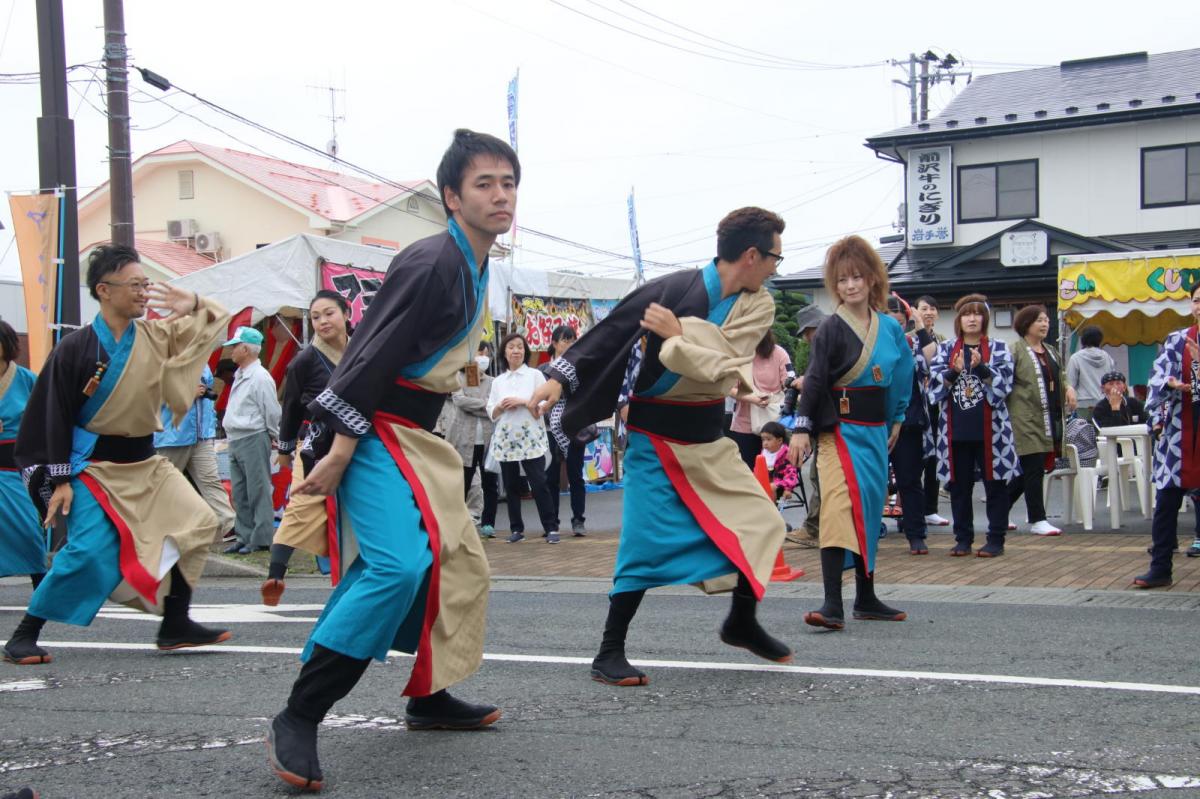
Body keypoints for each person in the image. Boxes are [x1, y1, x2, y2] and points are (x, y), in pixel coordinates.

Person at [264, 129, 513, 791]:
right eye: (484, 183)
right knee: (398, 565)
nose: (500, 195)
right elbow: (369, 355)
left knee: (454, 559)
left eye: (508, 182)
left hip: (413, 435)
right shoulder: (433, 261)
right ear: (451, 196)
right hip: (373, 430)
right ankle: (299, 712)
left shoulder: (475, 263)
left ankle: (428, 695)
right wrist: (342, 447)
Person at [531, 206, 794, 687]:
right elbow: (609, 336)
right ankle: (608, 652)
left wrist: (676, 338)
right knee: (641, 545)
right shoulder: (674, 289)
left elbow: (722, 366)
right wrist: (557, 379)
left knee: (762, 521)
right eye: (775, 256)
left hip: (706, 438)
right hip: (655, 437)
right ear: (752, 255)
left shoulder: (759, 306)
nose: (778, 267)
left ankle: (741, 620)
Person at [1, 244, 231, 666]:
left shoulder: (157, 336)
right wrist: (62, 479)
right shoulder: (75, 348)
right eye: (135, 285)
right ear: (105, 291)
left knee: (200, 522)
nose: (144, 293)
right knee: (87, 550)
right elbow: (53, 413)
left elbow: (215, 326)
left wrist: (194, 302)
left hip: (145, 462)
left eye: (147, 284)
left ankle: (175, 623)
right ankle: (24, 635)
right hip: (93, 465)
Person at [790, 236, 913, 630]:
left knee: (870, 509)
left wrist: (897, 419)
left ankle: (866, 597)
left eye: (857, 277)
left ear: (872, 279)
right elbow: (814, 383)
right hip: (838, 433)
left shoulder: (890, 328)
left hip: (877, 432)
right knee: (838, 511)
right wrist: (801, 429)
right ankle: (831, 603)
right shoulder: (829, 329)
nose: (851, 286)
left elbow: (902, 377)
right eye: (843, 280)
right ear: (835, 285)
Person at [260, 291, 353, 606]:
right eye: (316, 317)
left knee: (357, 510)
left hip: (361, 443)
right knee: (300, 505)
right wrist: (285, 451)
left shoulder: (364, 351)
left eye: (329, 313)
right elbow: (290, 409)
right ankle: (275, 575)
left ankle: (356, 576)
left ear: (346, 313)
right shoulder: (305, 360)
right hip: (316, 444)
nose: (323, 321)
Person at [928, 294, 1020, 558]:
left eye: (977, 313)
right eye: (966, 314)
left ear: (985, 319)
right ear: (959, 319)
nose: (971, 318)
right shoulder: (946, 350)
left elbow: (1005, 387)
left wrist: (982, 369)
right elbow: (933, 390)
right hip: (955, 430)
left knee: (995, 486)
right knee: (959, 487)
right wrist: (954, 372)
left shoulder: (1000, 347)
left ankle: (996, 539)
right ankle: (963, 539)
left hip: (993, 431)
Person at [1135, 282, 1200, 588]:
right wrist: (1171, 386)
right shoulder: (1177, 340)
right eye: (1197, 300)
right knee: (1166, 504)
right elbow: (1157, 380)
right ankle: (1160, 567)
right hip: (1178, 435)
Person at [1007, 305, 1073, 537]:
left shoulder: (1052, 351)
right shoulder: (1014, 350)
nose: (1044, 324)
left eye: (1046, 320)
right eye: (1039, 320)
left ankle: (1000, 510)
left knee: (1030, 470)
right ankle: (1037, 519)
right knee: (1033, 467)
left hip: (1050, 418)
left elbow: (1061, 376)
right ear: (1026, 324)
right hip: (1024, 417)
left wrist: (1068, 388)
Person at [488, 332, 560, 544]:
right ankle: (516, 528)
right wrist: (500, 406)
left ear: (525, 351)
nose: (516, 351)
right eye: (511, 347)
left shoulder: (535, 376)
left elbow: (544, 406)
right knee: (511, 486)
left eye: (520, 346)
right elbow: (491, 411)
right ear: (504, 352)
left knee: (539, 483)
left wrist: (522, 401)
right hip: (506, 438)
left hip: (530, 437)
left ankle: (551, 527)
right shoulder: (498, 381)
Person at [155, 363, 236, 541]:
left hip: (201, 435)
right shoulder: (163, 359)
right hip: (173, 436)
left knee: (211, 479)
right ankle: (155, 529)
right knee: (163, 486)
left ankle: (228, 525)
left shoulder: (204, 363)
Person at [221, 326, 281, 555]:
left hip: (253, 435)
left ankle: (262, 537)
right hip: (237, 437)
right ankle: (244, 535)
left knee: (257, 489)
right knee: (240, 491)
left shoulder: (259, 377)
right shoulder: (242, 374)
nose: (232, 351)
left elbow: (272, 411)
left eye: (235, 346)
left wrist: (273, 434)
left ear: (246, 349)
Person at [885, 294, 933, 555]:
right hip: (875, 422)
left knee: (910, 480)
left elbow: (932, 361)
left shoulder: (913, 343)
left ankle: (916, 534)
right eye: (890, 321)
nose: (896, 326)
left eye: (901, 322)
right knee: (870, 481)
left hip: (909, 421)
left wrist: (919, 324)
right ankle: (865, 533)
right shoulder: (871, 346)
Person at [0, 323, 46, 590]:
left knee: (27, 529)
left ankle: (42, 588)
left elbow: (45, 417)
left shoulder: (28, 379)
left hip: (15, 467)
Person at [447, 341, 499, 538]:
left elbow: (496, 406)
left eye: (484, 352)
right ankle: (458, 523)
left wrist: (482, 406)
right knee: (463, 481)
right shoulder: (458, 377)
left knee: (489, 482)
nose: (482, 355)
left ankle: (488, 523)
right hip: (464, 438)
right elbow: (459, 401)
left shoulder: (492, 381)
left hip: (487, 439)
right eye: (479, 351)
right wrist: (485, 405)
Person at [539, 325, 588, 536]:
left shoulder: (579, 367)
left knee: (576, 475)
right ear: (554, 343)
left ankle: (578, 520)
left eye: (572, 341)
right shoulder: (542, 370)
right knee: (550, 477)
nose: (568, 344)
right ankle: (553, 522)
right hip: (550, 428)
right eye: (564, 340)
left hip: (573, 428)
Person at [728, 329, 794, 469]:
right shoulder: (739, 355)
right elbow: (728, 388)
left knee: (777, 473)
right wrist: (753, 399)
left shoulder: (779, 353)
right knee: (747, 472)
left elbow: (790, 383)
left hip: (774, 425)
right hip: (744, 425)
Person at [914, 295, 950, 527]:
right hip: (916, 404)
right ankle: (912, 508)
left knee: (935, 458)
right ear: (915, 312)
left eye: (933, 308)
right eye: (924, 308)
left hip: (937, 404)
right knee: (915, 459)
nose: (929, 312)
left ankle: (930, 508)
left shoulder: (943, 339)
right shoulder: (909, 338)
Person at [793, 304, 827, 542]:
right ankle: (818, 527)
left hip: (825, 420)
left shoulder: (822, 342)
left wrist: (802, 426)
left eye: (806, 332)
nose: (805, 338)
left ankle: (814, 528)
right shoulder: (837, 336)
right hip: (839, 419)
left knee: (819, 476)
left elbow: (814, 386)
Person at [1066, 325, 1115, 422]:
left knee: (1084, 435)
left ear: (1083, 339)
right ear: (1100, 340)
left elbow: (1070, 383)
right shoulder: (1108, 358)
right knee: (1103, 435)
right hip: (1104, 404)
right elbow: (1113, 381)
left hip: (1083, 406)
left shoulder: (1076, 358)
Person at [759, 421, 798, 500]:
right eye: (763, 440)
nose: (765, 443)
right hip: (766, 480)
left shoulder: (786, 454)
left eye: (768, 439)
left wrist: (788, 489)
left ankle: (771, 510)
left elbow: (791, 473)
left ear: (780, 440)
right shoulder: (764, 452)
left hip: (781, 482)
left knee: (771, 487)